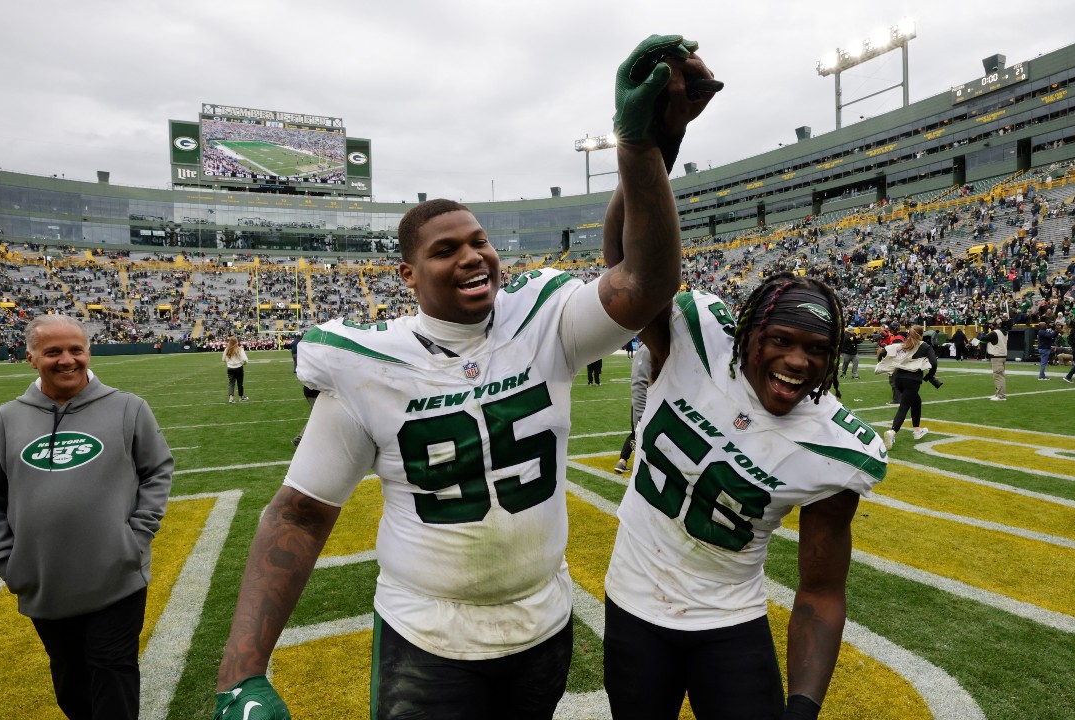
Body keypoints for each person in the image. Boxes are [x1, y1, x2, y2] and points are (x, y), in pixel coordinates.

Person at [212, 33, 716, 720]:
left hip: (541, 623)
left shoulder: (541, 319)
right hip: (427, 633)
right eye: (445, 250)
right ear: (408, 275)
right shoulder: (370, 362)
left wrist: (639, 145)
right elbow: (299, 514)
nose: (472, 257)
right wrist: (241, 672)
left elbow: (647, 281)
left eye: (478, 241)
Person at [599, 269, 886, 718]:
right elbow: (630, 267)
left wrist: (804, 709)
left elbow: (822, 589)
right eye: (781, 341)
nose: (798, 361)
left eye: (817, 350)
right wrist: (640, 192)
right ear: (749, 333)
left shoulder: (833, 445)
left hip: (729, 618)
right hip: (634, 603)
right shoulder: (695, 345)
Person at [0, 315, 173, 720]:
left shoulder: (128, 408)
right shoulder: (0, 422)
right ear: (31, 358)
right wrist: (5, 559)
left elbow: (157, 471)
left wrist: (135, 537)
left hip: (116, 575)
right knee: (71, 680)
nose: (67, 360)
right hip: (45, 580)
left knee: (112, 668)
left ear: (88, 352)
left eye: (76, 350)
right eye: (53, 352)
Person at [877, 325, 939, 449]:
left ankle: (917, 430)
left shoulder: (902, 345)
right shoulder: (924, 346)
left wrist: (880, 361)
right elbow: (934, 362)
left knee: (916, 401)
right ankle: (893, 431)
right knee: (904, 406)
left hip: (898, 378)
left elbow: (883, 352)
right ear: (921, 335)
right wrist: (929, 376)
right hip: (912, 380)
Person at [614, 342, 651, 474]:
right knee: (638, 433)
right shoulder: (646, 350)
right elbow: (639, 382)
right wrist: (642, 415)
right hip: (646, 405)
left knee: (634, 433)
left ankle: (623, 460)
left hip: (647, 405)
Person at [980, 318, 1009, 400]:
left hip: (996, 355)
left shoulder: (995, 333)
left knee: (998, 376)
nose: (991, 325)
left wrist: (985, 330)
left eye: (992, 324)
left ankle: (1001, 395)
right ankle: (998, 393)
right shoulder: (1005, 332)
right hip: (1002, 355)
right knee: (1000, 375)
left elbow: (983, 338)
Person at [222, 335, 248, 403]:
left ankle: (231, 398)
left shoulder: (227, 349)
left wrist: (229, 362)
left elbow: (223, 359)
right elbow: (245, 359)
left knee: (231, 383)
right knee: (240, 383)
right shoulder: (239, 349)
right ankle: (241, 397)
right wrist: (243, 363)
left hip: (230, 368)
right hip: (239, 368)